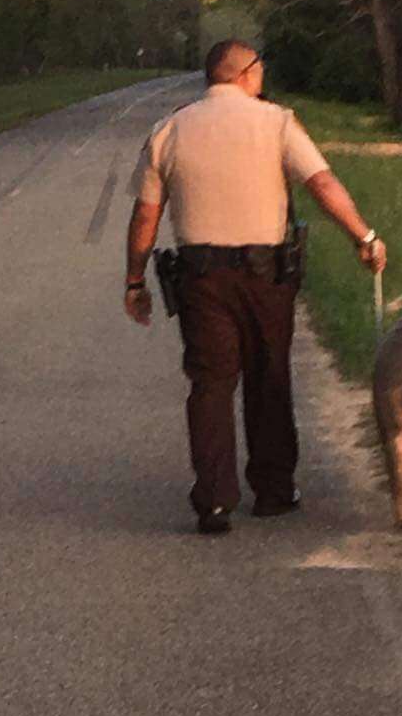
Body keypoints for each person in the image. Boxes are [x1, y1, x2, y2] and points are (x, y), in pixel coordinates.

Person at [124, 39, 387, 535]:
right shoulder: (278, 123)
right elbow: (322, 184)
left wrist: (135, 280)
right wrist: (363, 236)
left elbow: (146, 213)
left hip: (201, 279)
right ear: (244, 73)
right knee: (269, 376)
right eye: (259, 67)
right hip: (267, 276)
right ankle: (272, 490)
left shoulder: (169, 129)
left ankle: (214, 501)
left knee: (210, 384)